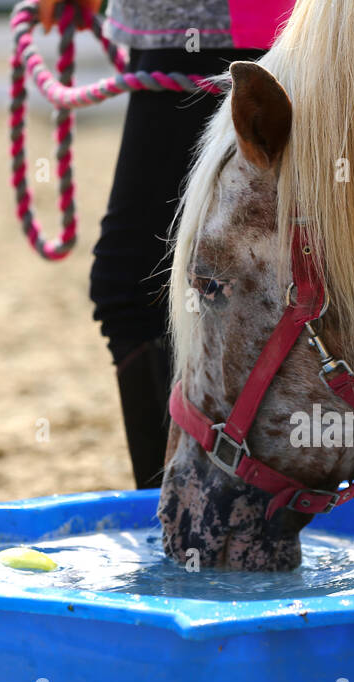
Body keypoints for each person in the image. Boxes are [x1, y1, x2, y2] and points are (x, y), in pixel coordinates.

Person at [39, 0, 294, 488]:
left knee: (136, 291)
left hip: (210, 26)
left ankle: (181, 520)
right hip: (237, 28)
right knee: (281, 284)